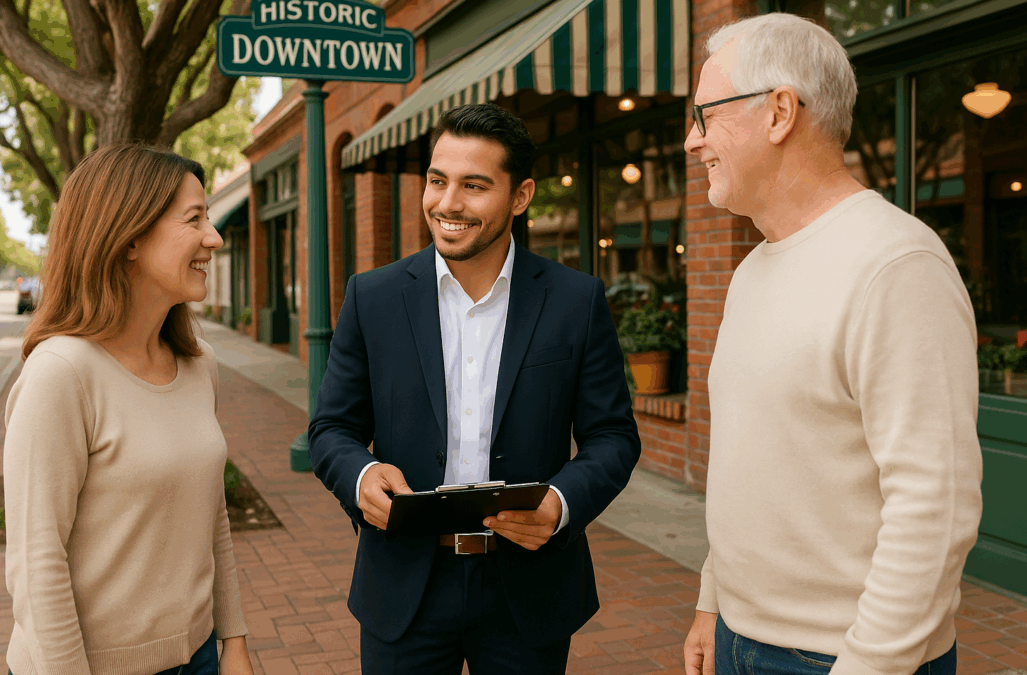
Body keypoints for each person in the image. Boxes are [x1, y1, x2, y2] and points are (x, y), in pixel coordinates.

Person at [681, 12, 983, 675]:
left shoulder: (897, 264)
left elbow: (936, 507)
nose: (690, 141)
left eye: (704, 116)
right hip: (739, 635)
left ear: (780, 111)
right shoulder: (752, 269)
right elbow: (751, 459)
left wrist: (868, 664)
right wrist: (713, 597)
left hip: (839, 656)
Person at [307, 103, 642, 674]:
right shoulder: (373, 297)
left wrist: (559, 504)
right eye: (437, 181)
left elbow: (612, 436)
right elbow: (330, 428)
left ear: (521, 195)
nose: (447, 204)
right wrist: (359, 476)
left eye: (474, 185)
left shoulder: (575, 300)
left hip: (529, 587)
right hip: (403, 588)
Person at [3, 144, 253, 675]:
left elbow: (212, 517)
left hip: (200, 656)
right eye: (194, 219)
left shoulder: (198, 363)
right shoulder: (60, 374)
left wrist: (233, 641)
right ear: (131, 237)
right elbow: (37, 563)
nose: (214, 237)